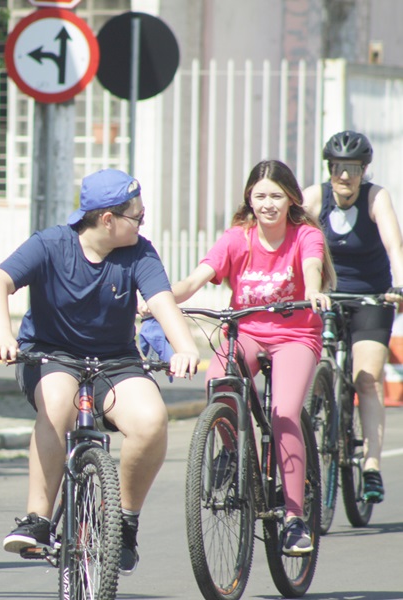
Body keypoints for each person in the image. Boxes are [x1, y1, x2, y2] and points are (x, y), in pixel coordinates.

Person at [0, 168, 200, 576]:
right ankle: (39, 519)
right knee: (58, 403)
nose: (142, 222)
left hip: (115, 362)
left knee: (152, 420)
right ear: (107, 219)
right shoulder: (50, 244)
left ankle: (126, 521)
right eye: (137, 215)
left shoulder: (139, 252)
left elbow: (162, 301)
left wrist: (185, 348)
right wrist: (2, 333)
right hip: (50, 356)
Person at [171, 159, 334, 556]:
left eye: (276, 196)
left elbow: (312, 266)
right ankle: (234, 450)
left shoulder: (304, 235)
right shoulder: (237, 238)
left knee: (284, 412)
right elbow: (197, 277)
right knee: (219, 384)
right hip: (245, 331)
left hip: (296, 335)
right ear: (249, 198)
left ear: (291, 198)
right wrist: (160, 302)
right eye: (260, 196)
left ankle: (295, 518)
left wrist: (312, 290)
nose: (268, 204)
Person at [302, 131, 403, 503]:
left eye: (354, 169)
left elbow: (395, 244)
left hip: (371, 296)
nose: (346, 177)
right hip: (326, 295)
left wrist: (399, 284)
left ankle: (371, 466)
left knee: (367, 378)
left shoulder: (376, 197)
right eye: (339, 168)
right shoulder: (315, 197)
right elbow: (295, 237)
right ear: (329, 168)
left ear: (364, 171)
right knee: (306, 364)